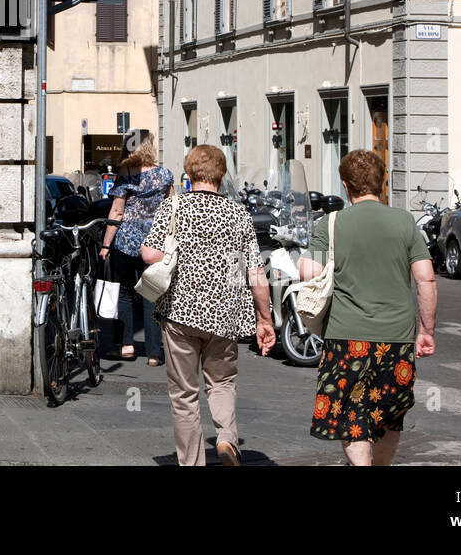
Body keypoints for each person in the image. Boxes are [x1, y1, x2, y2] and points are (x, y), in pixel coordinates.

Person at [299, 150, 436, 466]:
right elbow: (426, 279)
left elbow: (310, 271)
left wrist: (306, 259)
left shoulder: (332, 224)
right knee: (389, 413)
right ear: (383, 183)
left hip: (347, 338)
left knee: (352, 414)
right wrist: (427, 330)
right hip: (398, 338)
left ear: (346, 186)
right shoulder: (404, 222)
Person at [141, 144, 275, 466]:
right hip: (225, 314)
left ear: (189, 174)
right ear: (221, 174)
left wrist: (176, 255)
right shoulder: (239, 215)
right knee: (222, 382)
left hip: (180, 311)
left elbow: (149, 253)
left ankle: (193, 462)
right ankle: (227, 438)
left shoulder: (174, 206)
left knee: (184, 394)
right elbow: (255, 273)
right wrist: (265, 320)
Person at [99, 131, 172, 364]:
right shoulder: (165, 175)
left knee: (125, 292)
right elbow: (171, 209)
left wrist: (105, 244)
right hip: (154, 243)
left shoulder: (126, 175)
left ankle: (127, 345)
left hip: (125, 242)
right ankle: (153, 353)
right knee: (151, 294)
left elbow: (117, 212)